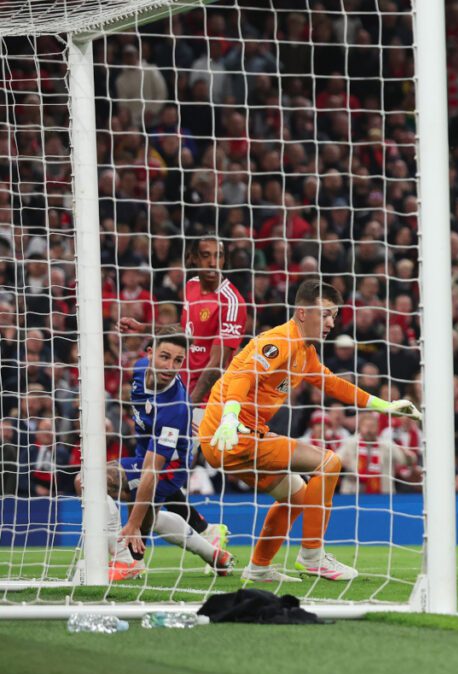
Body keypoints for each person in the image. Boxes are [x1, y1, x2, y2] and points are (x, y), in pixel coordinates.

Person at [199, 280, 421, 584]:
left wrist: (385, 406)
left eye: (334, 315)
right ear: (302, 312)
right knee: (329, 463)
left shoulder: (305, 351)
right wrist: (230, 416)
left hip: (241, 437)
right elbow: (241, 376)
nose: (331, 322)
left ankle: (260, 567)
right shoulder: (280, 341)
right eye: (325, 314)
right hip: (232, 434)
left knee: (296, 496)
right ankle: (312, 556)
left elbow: (332, 384)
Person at [75, 327, 233, 581]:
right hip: (144, 456)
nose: (170, 366)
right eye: (165, 357)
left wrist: (134, 524)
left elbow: (151, 473)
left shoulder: (174, 408)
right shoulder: (138, 370)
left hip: (167, 470)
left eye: (178, 361)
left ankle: (126, 561)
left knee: (90, 480)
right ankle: (215, 555)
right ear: (149, 354)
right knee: (152, 515)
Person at [119, 235, 242, 550]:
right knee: (157, 463)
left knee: (164, 468)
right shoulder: (190, 287)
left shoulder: (231, 301)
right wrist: (144, 328)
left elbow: (217, 363)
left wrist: (188, 405)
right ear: (194, 259)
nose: (212, 262)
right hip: (177, 387)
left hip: (202, 398)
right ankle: (204, 530)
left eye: (218, 255)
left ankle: (134, 547)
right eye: (205, 255)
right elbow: (182, 335)